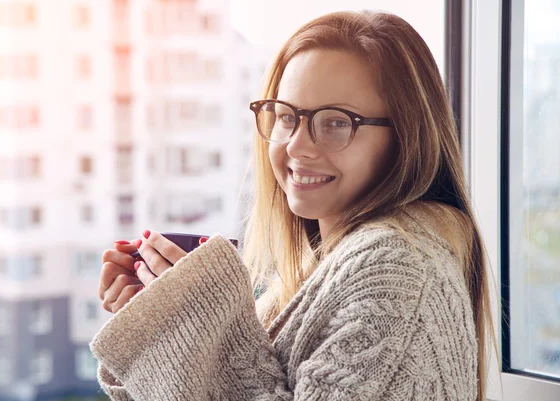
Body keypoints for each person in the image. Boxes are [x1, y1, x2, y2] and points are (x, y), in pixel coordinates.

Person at [92, 10, 497, 401]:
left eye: (337, 122)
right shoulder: (325, 266)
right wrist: (164, 327)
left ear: (406, 138)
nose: (297, 145)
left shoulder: (398, 271)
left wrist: (198, 319)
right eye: (287, 116)